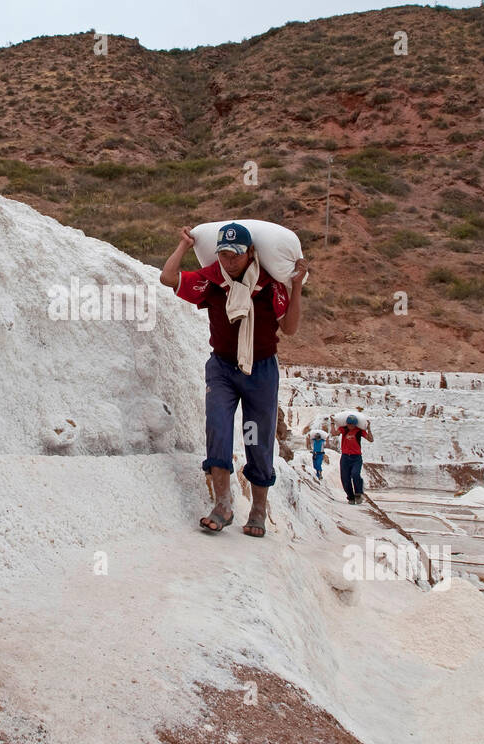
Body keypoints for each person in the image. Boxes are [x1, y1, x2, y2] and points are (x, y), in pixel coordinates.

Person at [160, 222, 307, 537]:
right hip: (223, 369)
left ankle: (257, 510)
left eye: (236, 255)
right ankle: (223, 504)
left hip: (261, 372)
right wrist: (184, 246)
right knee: (218, 427)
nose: (229, 261)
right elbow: (168, 278)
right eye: (224, 254)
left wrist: (297, 288)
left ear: (251, 253)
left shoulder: (269, 286)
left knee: (258, 438)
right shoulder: (212, 280)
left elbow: (291, 329)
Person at [329, 413, 374, 503]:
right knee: (345, 478)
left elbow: (371, 439)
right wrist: (332, 423)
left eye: (352, 424)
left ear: (355, 424)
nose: (351, 426)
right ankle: (351, 497)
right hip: (345, 457)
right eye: (349, 424)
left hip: (356, 458)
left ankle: (358, 493)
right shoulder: (343, 429)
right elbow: (334, 433)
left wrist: (368, 428)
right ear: (347, 424)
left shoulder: (359, 431)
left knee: (355, 474)